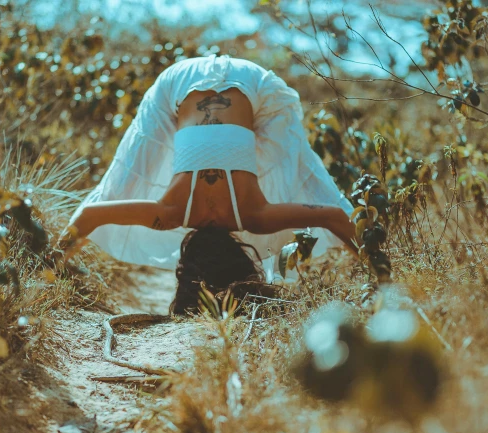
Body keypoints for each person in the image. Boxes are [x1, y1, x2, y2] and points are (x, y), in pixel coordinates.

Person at [59, 54, 357, 313]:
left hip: (254, 83)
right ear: (188, 260)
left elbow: (332, 215)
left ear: (239, 257)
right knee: (121, 183)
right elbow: (90, 215)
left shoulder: (255, 218)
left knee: (294, 168)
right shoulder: (172, 214)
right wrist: (50, 262)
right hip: (177, 84)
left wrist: (379, 270)